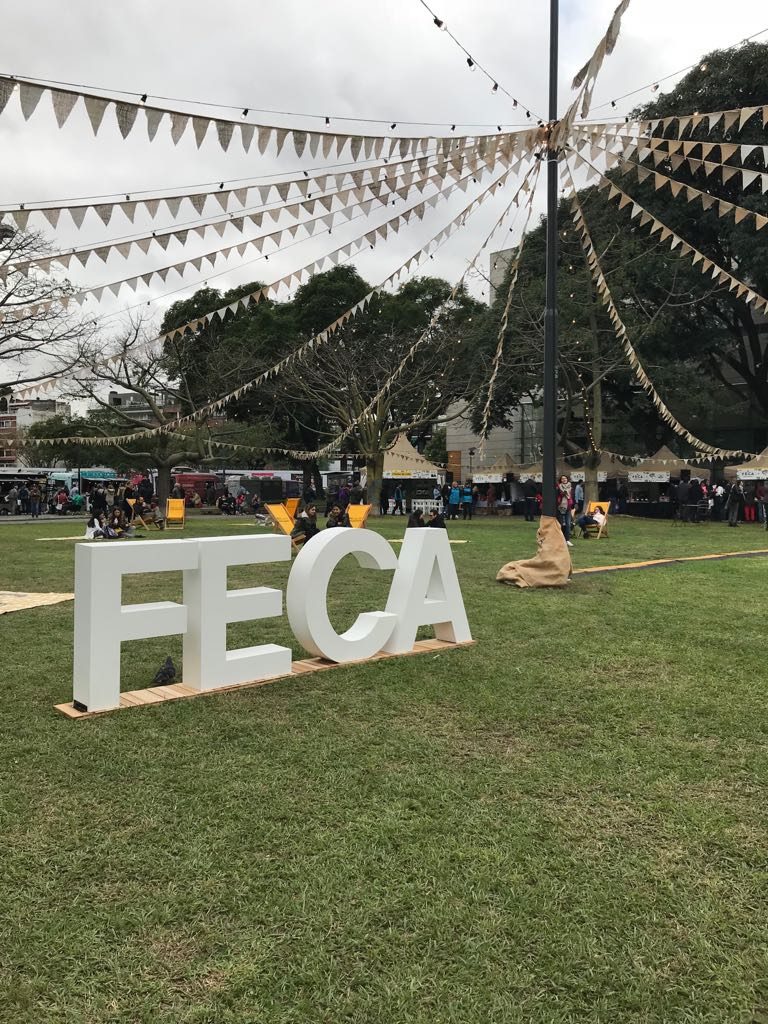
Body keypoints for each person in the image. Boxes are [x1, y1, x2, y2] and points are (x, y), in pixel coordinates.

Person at [556, 475, 573, 546]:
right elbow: (559, 494)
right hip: (560, 507)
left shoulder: (570, 487)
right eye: (562, 478)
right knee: (561, 524)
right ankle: (560, 539)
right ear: (560, 480)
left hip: (568, 507)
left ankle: (567, 540)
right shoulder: (558, 487)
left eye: (565, 478)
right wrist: (563, 492)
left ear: (567, 479)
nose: (564, 479)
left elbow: (571, 496)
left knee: (568, 524)